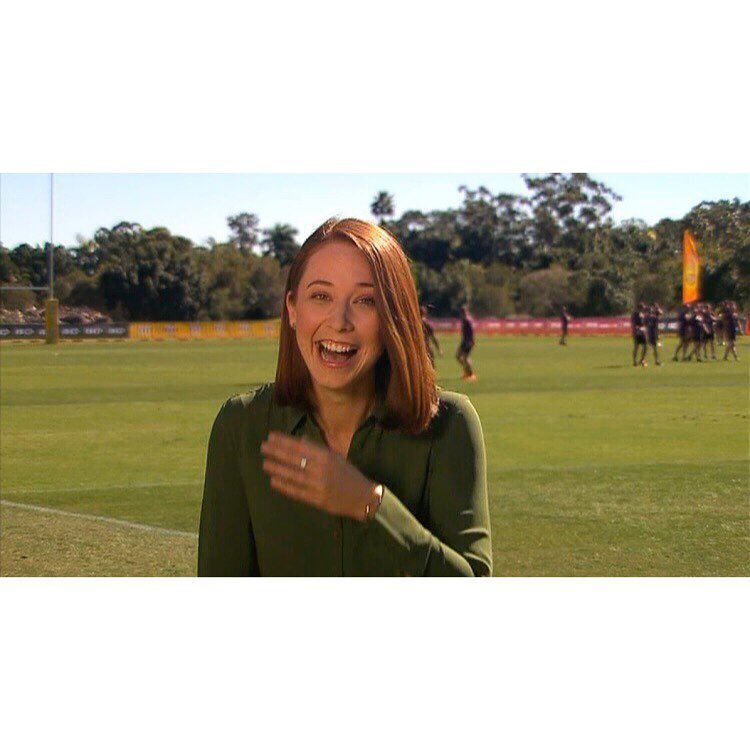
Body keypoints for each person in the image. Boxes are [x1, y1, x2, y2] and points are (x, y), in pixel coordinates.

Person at [197, 217, 492, 576]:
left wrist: (371, 506)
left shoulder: (450, 424)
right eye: (321, 296)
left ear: (393, 315)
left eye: (366, 300)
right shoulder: (241, 426)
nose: (339, 321)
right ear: (292, 308)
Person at [456, 304, 477, 381]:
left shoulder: (467, 320)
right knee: (459, 356)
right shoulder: (466, 319)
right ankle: (467, 372)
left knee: (465, 357)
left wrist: (471, 341)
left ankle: (471, 374)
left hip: (467, 341)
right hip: (465, 341)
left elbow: (471, 331)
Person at [631, 302, 648, 366]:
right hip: (637, 333)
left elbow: (643, 323)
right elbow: (634, 324)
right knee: (636, 347)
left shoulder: (642, 314)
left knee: (645, 346)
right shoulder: (635, 314)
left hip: (642, 332)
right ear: (640, 308)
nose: (644, 308)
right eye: (643, 307)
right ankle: (634, 361)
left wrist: (644, 329)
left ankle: (642, 360)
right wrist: (636, 330)